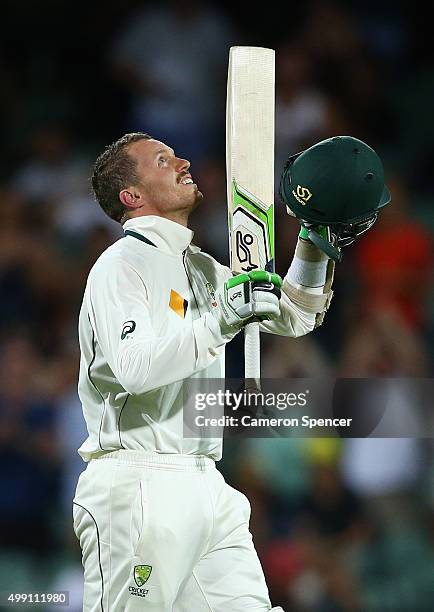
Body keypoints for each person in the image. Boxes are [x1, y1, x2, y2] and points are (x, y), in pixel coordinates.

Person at [72, 133, 371, 611]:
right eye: (163, 160)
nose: (184, 162)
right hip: (139, 483)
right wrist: (221, 319)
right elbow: (134, 369)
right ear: (132, 196)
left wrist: (315, 238)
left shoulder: (203, 268)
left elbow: (295, 314)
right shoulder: (120, 265)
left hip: (209, 484)